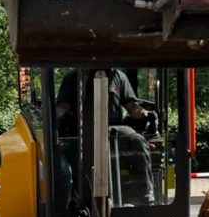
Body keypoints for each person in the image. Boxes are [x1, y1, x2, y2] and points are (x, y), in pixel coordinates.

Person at [56, 69, 156, 205]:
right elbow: (63, 106)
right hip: (84, 128)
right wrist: (57, 115)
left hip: (114, 127)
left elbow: (132, 106)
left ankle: (145, 196)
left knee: (138, 140)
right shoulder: (73, 77)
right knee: (96, 144)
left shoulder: (118, 76)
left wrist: (144, 113)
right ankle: (86, 198)